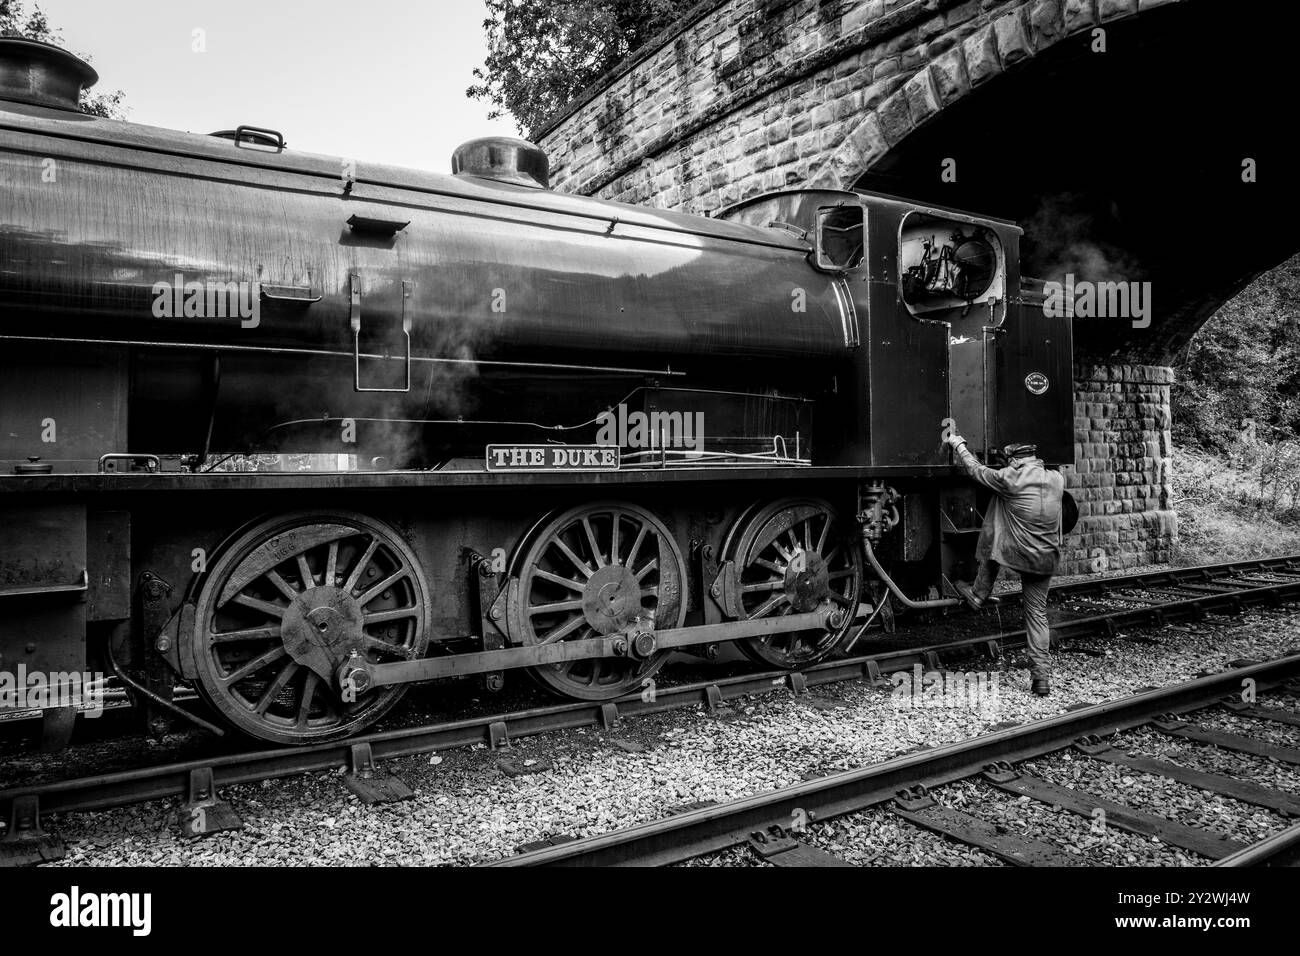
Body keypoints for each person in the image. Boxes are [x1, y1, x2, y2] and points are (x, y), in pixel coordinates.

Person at [942, 434, 1064, 697]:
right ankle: (1041, 678)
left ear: (1015, 462)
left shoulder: (1010, 479)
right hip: (1047, 559)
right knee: (1037, 616)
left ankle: (978, 593)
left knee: (997, 518)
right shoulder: (1057, 479)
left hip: (1017, 555)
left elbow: (976, 471)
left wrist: (959, 444)